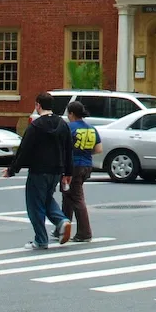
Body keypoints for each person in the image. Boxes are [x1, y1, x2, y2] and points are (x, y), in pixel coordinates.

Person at [3, 92, 70, 249]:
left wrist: (12, 170)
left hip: (39, 170)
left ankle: (41, 240)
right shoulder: (62, 124)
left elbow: (24, 150)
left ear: (38, 105)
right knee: (47, 199)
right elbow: (68, 149)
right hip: (56, 171)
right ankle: (62, 220)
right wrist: (68, 172)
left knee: (34, 205)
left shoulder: (35, 126)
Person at [60, 101, 101, 243]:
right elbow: (98, 149)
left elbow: (62, 147)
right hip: (87, 165)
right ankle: (62, 227)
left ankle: (84, 232)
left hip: (72, 166)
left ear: (71, 113)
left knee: (76, 198)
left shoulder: (69, 128)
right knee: (68, 195)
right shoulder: (91, 128)